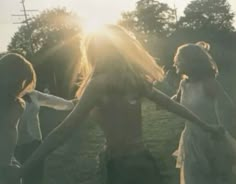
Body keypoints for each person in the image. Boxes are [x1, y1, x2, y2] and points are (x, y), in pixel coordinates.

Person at [20, 25, 220, 184]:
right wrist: (206, 126)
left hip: (120, 166)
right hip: (142, 161)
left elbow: (64, 130)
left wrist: (26, 166)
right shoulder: (133, 80)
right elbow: (170, 104)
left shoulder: (98, 85)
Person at [172, 41, 236, 184]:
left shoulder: (209, 84)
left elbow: (228, 107)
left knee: (215, 177)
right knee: (193, 178)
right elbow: (175, 102)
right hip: (191, 138)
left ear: (191, 62)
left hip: (211, 138)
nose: (175, 62)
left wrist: (221, 127)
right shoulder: (184, 84)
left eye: (179, 59)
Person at [15, 90, 76, 184]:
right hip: (13, 147)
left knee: (36, 178)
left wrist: (71, 104)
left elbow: (50, 99)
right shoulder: (5, 95)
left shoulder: (32, 94)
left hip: (35, 144)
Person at [0, 53, 36, 183]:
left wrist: (11, 162)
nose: (21, 86)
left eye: (24, 81)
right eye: (19, 79)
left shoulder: (17, 105)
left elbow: (8, 139)